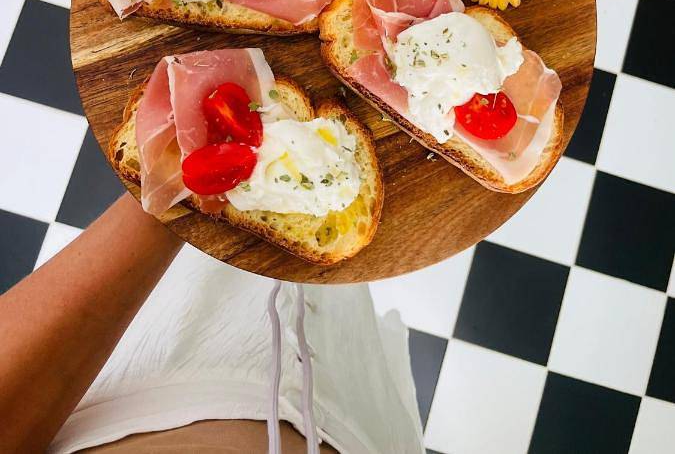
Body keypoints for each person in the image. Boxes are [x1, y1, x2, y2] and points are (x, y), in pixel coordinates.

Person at [0, 194, 424, 453]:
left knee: (319, 251)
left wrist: (170, 198)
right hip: (360, 418)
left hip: (168, 350)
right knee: (339, 278)